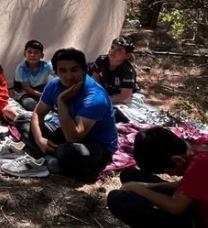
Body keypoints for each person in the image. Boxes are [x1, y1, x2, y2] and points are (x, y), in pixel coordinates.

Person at [23, 48, 118, 177]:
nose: (68, 76)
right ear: (55, 72)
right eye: (63, 71)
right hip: (67, 132)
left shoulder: (95, 97)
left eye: (74, 70)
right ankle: (50, 158)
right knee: (23, 120)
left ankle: (47, 157)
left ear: (84, 70)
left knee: (70, 151)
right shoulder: (54, 85)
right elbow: (38, 113)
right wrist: (40, 139)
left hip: (96, 144)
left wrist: (61, 102)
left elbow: (73, 137)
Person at [90, 37, 137, 105]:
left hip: (118, 97)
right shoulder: (101, 60)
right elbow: (95, 78)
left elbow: (124, 98)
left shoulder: (128, 71)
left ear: (127, 56)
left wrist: (102, 100)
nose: (113, 51)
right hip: (104, 91)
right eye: (112, 47)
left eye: (119, 50)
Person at [13, 39, 54, 111]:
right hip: (26, 92)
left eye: (36, 52)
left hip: (42, 89)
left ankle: (47, 106)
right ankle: (44, 109)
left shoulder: (46, 66)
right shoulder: (21, 68)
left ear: (42, 55)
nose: (32, 55)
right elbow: (28, 89)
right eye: (29, 52)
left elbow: (59, 74)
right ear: (24, 54)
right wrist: (44, 96)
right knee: (28, 102)